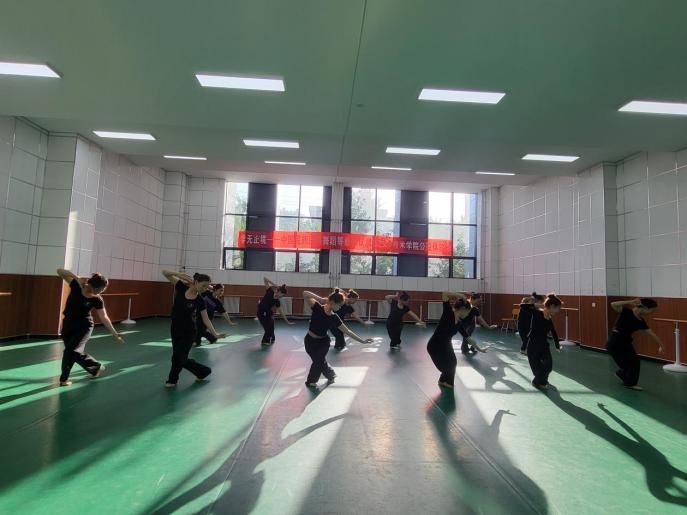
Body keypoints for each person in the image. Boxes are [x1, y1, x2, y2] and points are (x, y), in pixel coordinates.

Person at [56, 269, 125, 386]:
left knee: (71, 351)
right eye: (101, 289)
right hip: (68, 324)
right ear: (93, 286)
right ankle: (95, 367)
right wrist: (76, 278)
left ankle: (64, 379)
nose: (101, 292)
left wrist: (115, 333)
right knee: (72, 352)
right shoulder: (76, 285)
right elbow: (60, 271)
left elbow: (104, 317)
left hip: (85, 327)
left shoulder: (97, 299)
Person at [162, 270, 226, 388]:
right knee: (179, 357)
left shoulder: (200, 300)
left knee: (177, 357)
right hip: (175, 330)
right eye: (203, 286)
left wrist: (215, 334)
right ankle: (203, 371)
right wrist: (179, 274)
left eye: (207, 286)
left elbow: (206, 319)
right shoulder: (181, 287)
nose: (205, 289)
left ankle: (172, 380)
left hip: (189, 333)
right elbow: (164, 272)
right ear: (196, 282)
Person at [303, 289, 373, 387]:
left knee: (318, 360)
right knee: (319, 360)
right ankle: (331, 374)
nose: (340, 308)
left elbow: (347, 331)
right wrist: (320, 299)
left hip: (323, 342)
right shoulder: (317, 307)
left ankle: (311, 381)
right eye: (339, 305)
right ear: (332, 302)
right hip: (309, 341)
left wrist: (362, 341)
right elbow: (305, 293)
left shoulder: (334, 317)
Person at [607, 298, 663, 391]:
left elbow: (652, 334)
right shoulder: (626, 312)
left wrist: (661, 345)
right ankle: (627, 380)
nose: (651, 313)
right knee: (628, 364)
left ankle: (624, 377)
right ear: (645, 308)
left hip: (626, 343)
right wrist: (630, 302)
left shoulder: (641, 321)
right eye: (651, 310)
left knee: (635, 362)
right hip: (615, 343)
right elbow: (613, 304)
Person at [426, 292, 477, 388]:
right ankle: (446, 381)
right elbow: (445, 294)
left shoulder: (459, 324)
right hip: (434, 345)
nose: (468, 315)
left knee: (453, 362)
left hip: (446, 345)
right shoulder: (448, 313)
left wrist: (479, 348)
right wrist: (460, 295)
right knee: (447, 366)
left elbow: (468, 338)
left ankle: (444, 381)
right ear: (463, 309)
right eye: (468, 312)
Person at [521, 293, 562, 390]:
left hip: (544, 346)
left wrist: (557, 345)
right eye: (557, 308)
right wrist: (539, 305)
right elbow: (522, 306)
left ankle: (537, 382)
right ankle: (541, 381)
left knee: (548, 365)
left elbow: (554, 332)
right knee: (538, 370)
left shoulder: (549, 319)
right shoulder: (537, 313)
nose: (558, 311)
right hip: (533, 346)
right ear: (552, 306)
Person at [257, 276, 294, 346]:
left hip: (268, 313)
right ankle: (265, 341)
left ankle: (272, 336)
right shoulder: (270, 291)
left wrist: (287, 321)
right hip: (261, 313)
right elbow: (265, 278)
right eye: (282, 295)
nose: (282, 296)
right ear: (279, 292)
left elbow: (281, 312)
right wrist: (274, 285)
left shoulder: (277, 301)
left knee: (271, 326)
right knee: (267, 328)